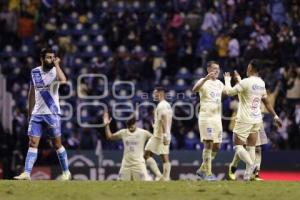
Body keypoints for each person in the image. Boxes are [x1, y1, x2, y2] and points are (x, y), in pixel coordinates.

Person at [14, 48, 71, 180]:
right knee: (33, 143)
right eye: (48, 57)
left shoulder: (55, 71)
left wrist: (57, 65)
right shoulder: (34, 72)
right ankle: (27, 173)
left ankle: (66, 172)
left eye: (53, 57)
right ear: (42, 58)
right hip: (37, 114)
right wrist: (30, 112)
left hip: (52, 113)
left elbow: (64, 81)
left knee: (57, 144)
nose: (51, 59)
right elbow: (32, 92)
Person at [223, 59, 282, 180]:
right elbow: (264, 101)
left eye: (248, 66)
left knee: (238, 147)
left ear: (251, 68)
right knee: (251, 147)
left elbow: (229, 92)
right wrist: (275, 116)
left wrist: (227, 80)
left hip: (244, 119)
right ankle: (247, 176)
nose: (247, 68)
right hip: (256, 120)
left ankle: (251, 165)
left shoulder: (246, 82)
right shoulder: (261, 83)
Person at [192, 61, 225, 181]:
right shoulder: (203, 81)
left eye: (218, 68)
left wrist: (230, 81)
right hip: (206, 117)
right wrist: (205, 79)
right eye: (214, 68)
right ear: (208, 69)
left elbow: (228, 92)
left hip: (217, 118)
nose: (217, 71)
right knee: (209, 143)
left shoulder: (220, 84)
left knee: (217, 146)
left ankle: (201, 170)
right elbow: (194, 89)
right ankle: (209, 174)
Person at [103, 112, 152, 181]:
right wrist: (107, 125)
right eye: (129, 124)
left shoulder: (143, 133)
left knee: (144, 185)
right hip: (126, 165)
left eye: (132, 123)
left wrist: (148, 151)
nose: (131, 126)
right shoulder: (123, 132)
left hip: (139, 164)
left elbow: (155, 140)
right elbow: (110, 137)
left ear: (136, 123)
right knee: (121, 185)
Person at [144, 86, 173, 181]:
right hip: (164, 134)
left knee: (146, 155)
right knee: (164, 157)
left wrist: (164, 134)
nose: (153, 94)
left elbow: (164, 119)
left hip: (159, 136)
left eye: (155, 92)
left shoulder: (161, 106)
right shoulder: (167, 105)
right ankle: (166, 178)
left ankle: (160, 176)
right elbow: (164, 120)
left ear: (160, 92)